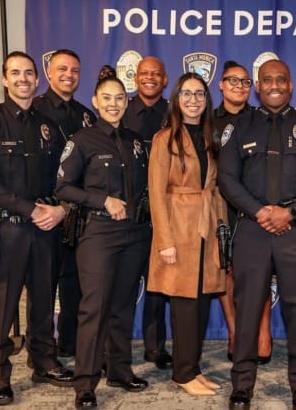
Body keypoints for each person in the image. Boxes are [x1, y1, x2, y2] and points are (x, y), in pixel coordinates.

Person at [218, 59, 296, 410]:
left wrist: (292, 211)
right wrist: (259, 211)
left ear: (291, 84)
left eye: (281, 79)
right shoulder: (239, 126)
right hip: (252, 230)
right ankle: (242, 386)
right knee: (248, 309)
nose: (274, 85)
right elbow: (227, 179)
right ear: (257, 84)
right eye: (267, 80)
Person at [0, 51, 73, 406]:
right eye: (15, 73)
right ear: (4, 79)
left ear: (37, 78)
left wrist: (61, 209)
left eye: (29, 73)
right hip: (12, 228)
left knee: (44, 297)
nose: (23, 79)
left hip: (46, 226)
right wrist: (30, 209)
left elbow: (64, 174)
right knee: (4, 302)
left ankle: (43, 360)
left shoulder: (49, 125)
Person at [56, 66, 151, 409]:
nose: (114, 104)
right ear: (95, 101)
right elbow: (63, 187)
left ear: (126, 103)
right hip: (98, 233)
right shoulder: (81, 141)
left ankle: (120, 369)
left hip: (134, 233)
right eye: (106, 98)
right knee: (94, 308)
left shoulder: (135, 141)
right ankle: (85, 383)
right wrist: (102, 200)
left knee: (123, 306)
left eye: (119, 99)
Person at [146, 72, 227, 396]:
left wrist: (221, 232)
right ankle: (182, 373)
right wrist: (164, 242)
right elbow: (155, 192)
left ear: (206, 101)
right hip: (178, 231)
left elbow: (214, 187)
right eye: (187, 94)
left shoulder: (211, 136)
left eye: (199, 94)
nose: (193, 100)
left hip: (206, 227)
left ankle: (193, 368)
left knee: (203, 302)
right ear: (176, 99)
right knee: (184, 305)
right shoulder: (164, 138)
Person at [33, 48, 96, 358]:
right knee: (43, 291)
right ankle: (41, 355)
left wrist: (68, 208)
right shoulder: (34, 111)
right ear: (48, 72)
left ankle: (68, 346)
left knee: (74, 288)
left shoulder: (87, 116)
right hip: (43, 214)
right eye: (62, 69)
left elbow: (92, 172)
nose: (68, 75)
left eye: (74, 70)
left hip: (75, 215)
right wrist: (48, 209)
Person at [212, 60, 273, 365]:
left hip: (255, 206)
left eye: (245, 81)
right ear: (220, 85)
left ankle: (262, 332)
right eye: (232, 81)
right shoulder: (209, 121)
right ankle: (236, 331)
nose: (238, 86)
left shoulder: (261, 119)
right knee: (227, 270)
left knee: (259, 271)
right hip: (220, 206)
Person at [122, 55, 173, 370]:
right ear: (135, 78)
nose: (150, 78)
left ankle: (155, 346)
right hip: (127, 210)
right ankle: (116, 347)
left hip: (164, 211)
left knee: (157, 282)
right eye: (144, 73)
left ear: (165, 80)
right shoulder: (121, 111)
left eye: (157, 73)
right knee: (124, 283)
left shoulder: (175, 113)